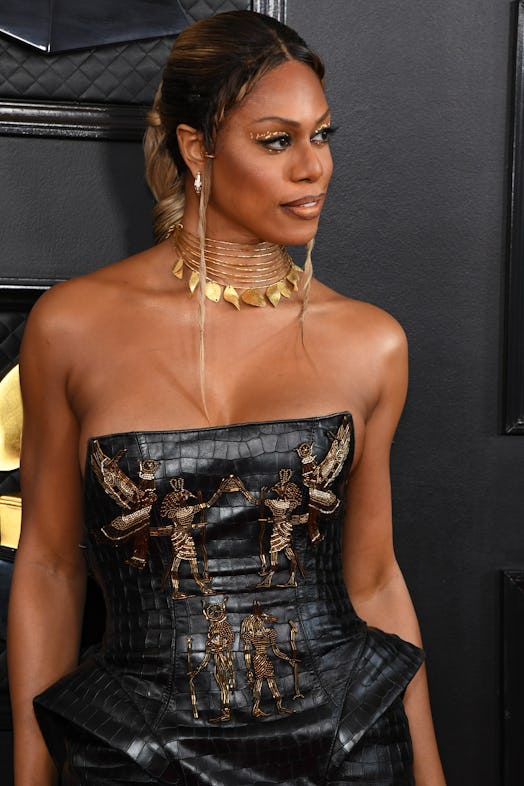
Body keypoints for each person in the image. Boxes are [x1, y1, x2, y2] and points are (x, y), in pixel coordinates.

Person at [7, 10, 446, 786]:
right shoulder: (71, 327)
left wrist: (431, 772)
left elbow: (374, 579)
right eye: (278, 141)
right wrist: (34, 768)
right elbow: (47, 567)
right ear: (195, 148)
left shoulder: (371, 341)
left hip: (351, 746)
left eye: (323, 135)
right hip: (133, 752)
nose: (314, 168)